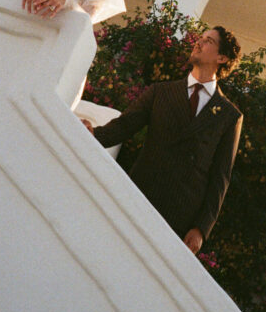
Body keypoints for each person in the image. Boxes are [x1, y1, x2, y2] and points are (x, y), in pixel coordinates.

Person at [87, 26, 242, 254]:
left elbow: (221, 177)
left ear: (222, 57)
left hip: (179, 219)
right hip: (139, 198)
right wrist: (91, 134)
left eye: (208, 40)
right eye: (200, 38)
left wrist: (201, 228)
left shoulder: (230, 115)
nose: (198, 42)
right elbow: (124, 126)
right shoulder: (160, 92)